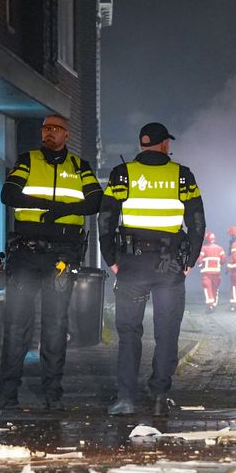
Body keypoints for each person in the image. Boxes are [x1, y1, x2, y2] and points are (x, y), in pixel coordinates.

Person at [0, 114, 103, 410]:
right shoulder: (28, 161)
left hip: (61, 257)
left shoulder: (79, 167)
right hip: (26, 254)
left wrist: (61, 210)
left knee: (55, 323)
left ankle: (53, 394)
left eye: (55, 129)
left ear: (66, 134)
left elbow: (96, 201)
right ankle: (7, 393)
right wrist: (49, 207)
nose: (49, 133)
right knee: (16, 323)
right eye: (45, 129)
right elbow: (8, 194)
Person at [98, 122, 205, 416]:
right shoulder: (182, 176)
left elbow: (106, 219)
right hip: (169, 266)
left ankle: (126, 399)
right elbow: (196, 222)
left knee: (129, 331)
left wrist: (112, 261)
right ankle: (159, 397)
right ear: (164, 144)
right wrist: (190, 261)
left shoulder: (123, 174)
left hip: (131, 266)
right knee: (167, 331)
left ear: (142, 144)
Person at [197, 230, 225, 312]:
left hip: (206, 273)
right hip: (217, 273)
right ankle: (214, 304)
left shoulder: (203, 248)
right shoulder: (220, 248)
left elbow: (199, 261)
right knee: (215, 289)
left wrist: (200, 265)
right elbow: (223, 260)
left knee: (207, 289)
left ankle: (210, 306)